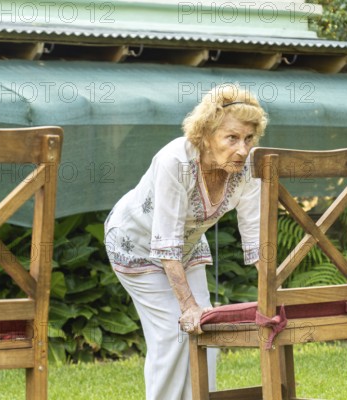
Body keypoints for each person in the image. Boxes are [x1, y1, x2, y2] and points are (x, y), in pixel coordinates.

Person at [104, 83, 268, 399]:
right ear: (206, 134)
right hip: (134, 244)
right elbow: (164, 243)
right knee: (172, 332)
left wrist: (273, 296)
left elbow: (256, 240)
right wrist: (188, 305)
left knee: (207, 329)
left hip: (188, 247)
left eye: (249, 139)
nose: (243, 149)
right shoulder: (175, 161)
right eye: (232, 138)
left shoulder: (245, 168)